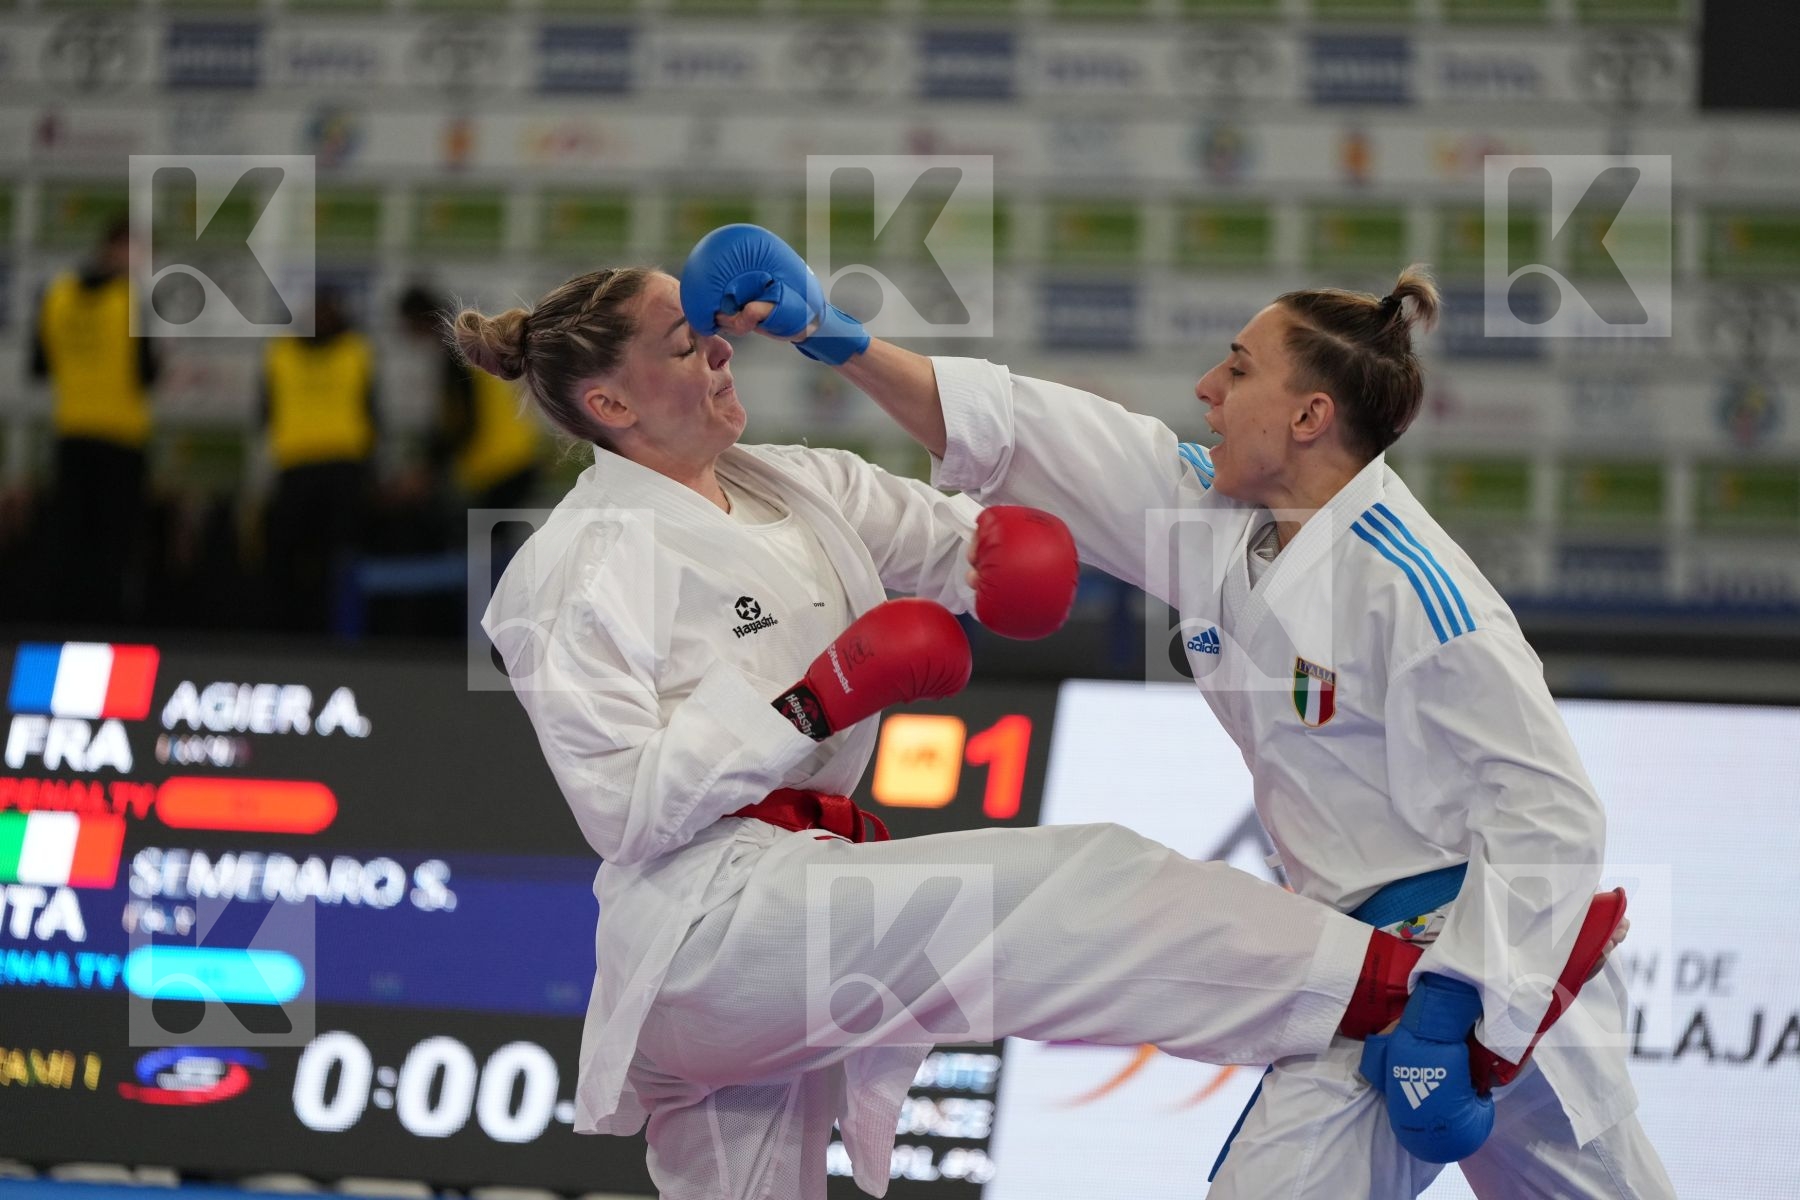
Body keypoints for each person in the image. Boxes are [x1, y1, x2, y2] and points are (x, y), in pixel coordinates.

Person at [464, 265, 1528, 1200]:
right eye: (682, 345)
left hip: (796, 914)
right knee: (1077, 885)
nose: (719, 353)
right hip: (705, 928)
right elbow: (623, 811)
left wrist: (1000, 559)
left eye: (712, 333)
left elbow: (959, 544)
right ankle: (1397, 987)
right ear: (609, 402)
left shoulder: (799, 482)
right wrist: (812, 704)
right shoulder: (576, 564)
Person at [681, 225, 1672, 1199]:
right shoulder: (1216, 519)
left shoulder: (1416, 591)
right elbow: (1026, 429)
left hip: (1489, 966)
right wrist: (834, 337)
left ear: (1309, 416)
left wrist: (1458, 1004)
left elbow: (1551, 811)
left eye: (1238, 370)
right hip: (1367, 966)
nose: (1207, 387)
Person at [31, 216, 159, 625]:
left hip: (72, 432)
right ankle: (106, 625)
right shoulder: (129, 299)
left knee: (69, 537)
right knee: (113, 543)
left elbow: (39, 366)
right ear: (116, 248)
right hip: (121, 437)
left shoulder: (57, 295)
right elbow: (147, 373)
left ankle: (61, 623)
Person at [259, 288, 377, 632]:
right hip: (300, 466)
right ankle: (289, 631)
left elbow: (371, 412)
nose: (321, 317)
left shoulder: (356, 350)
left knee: (338, 559)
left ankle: (337, 631)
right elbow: (265, 411)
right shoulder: (280, 352)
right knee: (290, 558)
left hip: (339, 468)